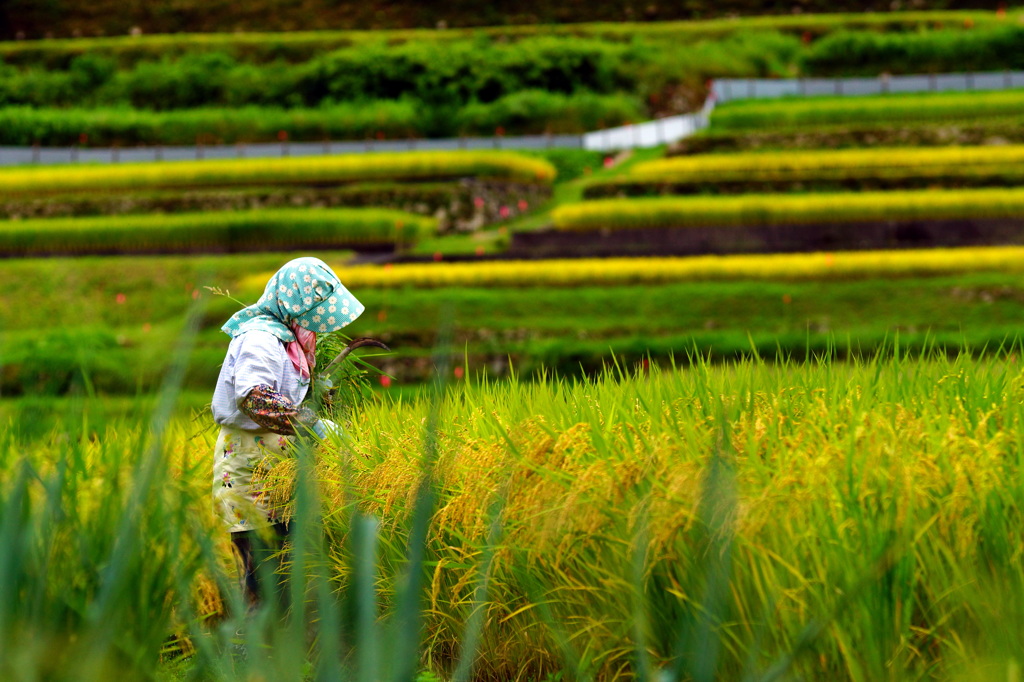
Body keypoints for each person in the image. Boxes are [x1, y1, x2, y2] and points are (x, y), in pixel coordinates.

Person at [211, 256, 364, 607]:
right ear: (293, 303)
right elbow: (254, 397)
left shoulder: (288, 340)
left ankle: (284, 657)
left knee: (287, 574)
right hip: (250, 471)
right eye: (311, 312)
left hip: (280, 470)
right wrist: (314, 425)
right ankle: (246, 657)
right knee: (261, 580)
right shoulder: (260, 338)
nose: (314, 324)